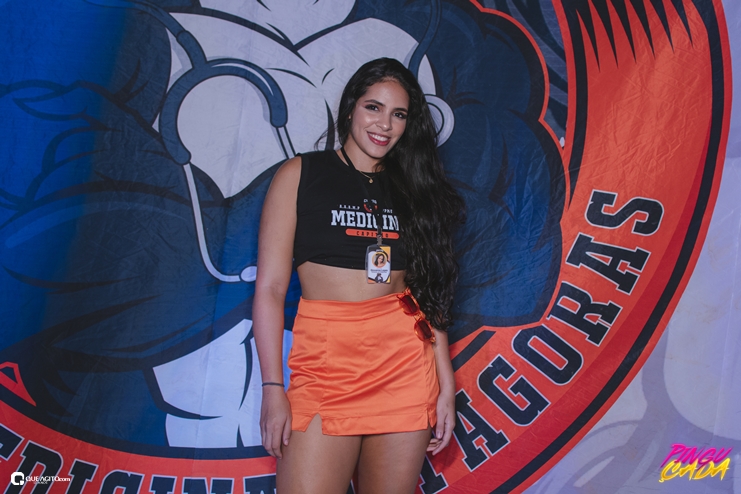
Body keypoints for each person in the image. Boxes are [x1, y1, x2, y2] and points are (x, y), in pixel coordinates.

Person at [253, 57, 465, 494]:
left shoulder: (415, 188)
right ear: (350, 107)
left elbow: (426, 292)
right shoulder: (300, 174)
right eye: (374, 107)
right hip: (324, 367)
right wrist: (272, 387)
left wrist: (446, 385)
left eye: (399, 114)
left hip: (404, 367)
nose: (384, 124)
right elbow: (271, 289)